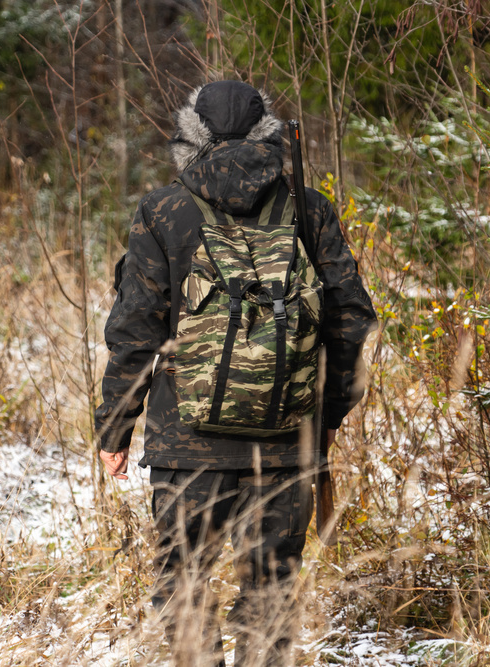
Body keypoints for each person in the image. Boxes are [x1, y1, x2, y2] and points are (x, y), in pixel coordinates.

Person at [95, 81, 377, 667]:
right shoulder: (309, 207)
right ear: (267, 133)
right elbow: (353, 323)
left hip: (185, 448)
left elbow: (135, 331)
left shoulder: (163, 211)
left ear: (190, 135)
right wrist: (322, 419)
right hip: (285, 448)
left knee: (185, 585)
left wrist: (115, 430)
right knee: (270, 595)